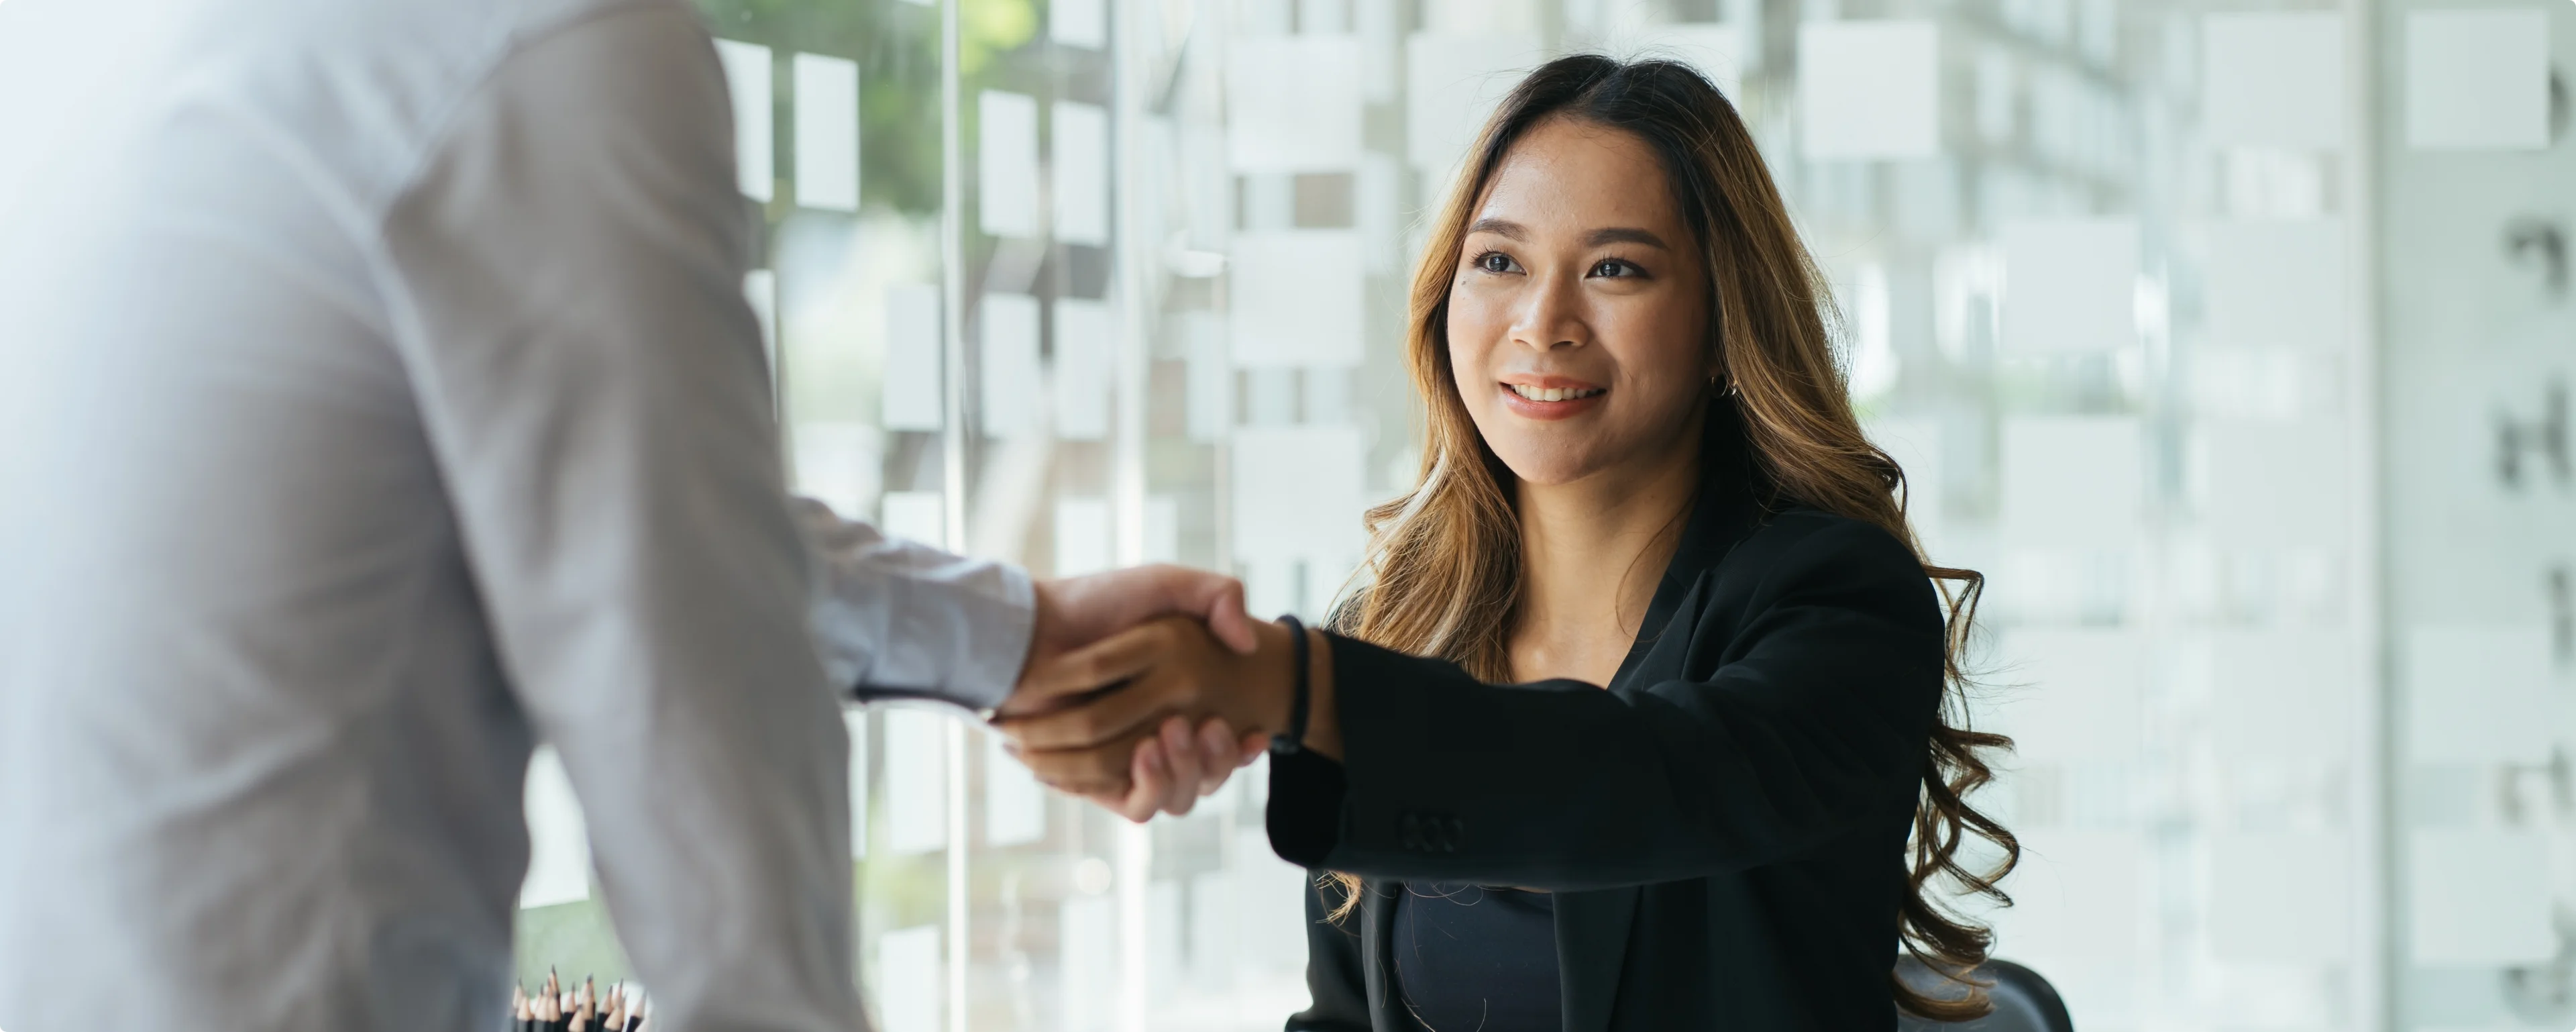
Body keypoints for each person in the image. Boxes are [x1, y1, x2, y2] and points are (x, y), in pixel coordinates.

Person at [0, 1, 1247, 1030]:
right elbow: (717, 824)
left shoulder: (122, 48)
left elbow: (640, 522)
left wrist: (1011, 637)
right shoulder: (552, 45)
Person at [997, 55, 2020, 1029]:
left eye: (1616, 268)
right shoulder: (1399, 622)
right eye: (1498, 260)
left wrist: (1291, 683)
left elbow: (1620, 783)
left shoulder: (1840, 603)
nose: (1543, 320)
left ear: (1721, 325)